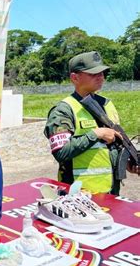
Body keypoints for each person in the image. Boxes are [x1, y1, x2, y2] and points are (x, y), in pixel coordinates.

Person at [44, 51, 139, 195]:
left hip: (110, 191)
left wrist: (127, 163)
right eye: (93, 73)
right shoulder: (63, 110)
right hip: (78, 195)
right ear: (74, 77)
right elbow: (61, 152)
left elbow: (113, 145)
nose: (100, 77)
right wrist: (96, 134)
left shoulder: (107, 104)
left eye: (102, 73)